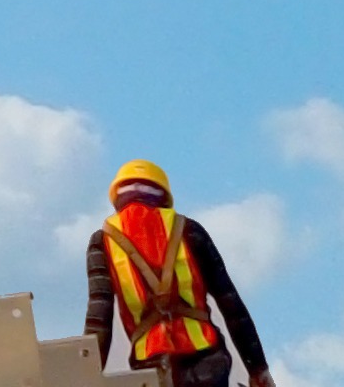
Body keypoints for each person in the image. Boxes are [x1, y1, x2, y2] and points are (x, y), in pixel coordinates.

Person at [83, 159, 270, 385]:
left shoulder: (102, 241)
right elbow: (232, 306)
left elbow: (99, 318)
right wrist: (258, 368)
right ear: (163, 195)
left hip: (152, 364)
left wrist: (84, 376)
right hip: (206, 359)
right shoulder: (190, 230)